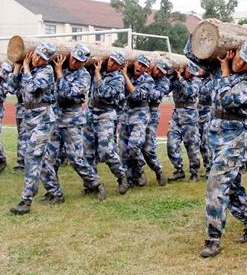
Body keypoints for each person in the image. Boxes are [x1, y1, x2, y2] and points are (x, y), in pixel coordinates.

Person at [200, 38, 247, 258]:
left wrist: (226, 71)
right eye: (241, 58)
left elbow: (229, 101)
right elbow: (192, 53)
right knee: (233, 185)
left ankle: (213, 238)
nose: (242, 64)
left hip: (235, 137)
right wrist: (212, 35)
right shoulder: (221, 64)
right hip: (215, 133)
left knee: (215, 185)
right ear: (235, 51)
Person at [40, 43, 107, 203]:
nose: (74, 63)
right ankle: (54, 192)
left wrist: (58, 72)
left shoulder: (83, 75)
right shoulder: (62, 66)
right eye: (73, 59)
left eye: (78, 61)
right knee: (48, 158)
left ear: (84, 62)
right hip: (56, 117)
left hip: (72, 119)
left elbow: (67, 93)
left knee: (75, 158)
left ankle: (95, 184)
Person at [10, 42, 58, 215]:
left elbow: (31, 87)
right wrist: (17, 69)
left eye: (43, 58)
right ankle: (55, 192)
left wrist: (26, 68)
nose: (38, 60)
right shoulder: (28, 70)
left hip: (43, 117)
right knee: (41, 157)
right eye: (37, 56)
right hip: (29, 117)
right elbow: (10, 88)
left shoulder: (47, 71)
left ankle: (26, 200)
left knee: (32, 156)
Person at [84, 50, 130, 194]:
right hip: (91, 113)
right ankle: (91, 184)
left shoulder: (118, 79)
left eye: (116, 63)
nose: (112, 64)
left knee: (106, 150)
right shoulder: (99, 69)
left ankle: (122, 177)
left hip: (106, 114)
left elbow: (104, 93)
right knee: (87, 152)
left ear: (120, 66)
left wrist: (97, 74)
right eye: (111, 60)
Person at [119, 54, 161, 187]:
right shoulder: (128, 73)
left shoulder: (148, 80)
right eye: (138, 64)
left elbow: (136, 95)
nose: (139, 67)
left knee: (134, 145)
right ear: (134, 63)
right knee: (123, 150)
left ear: (146, 69)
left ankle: (140, 170)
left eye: (143, 66)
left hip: (140, 115)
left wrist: (125, 76)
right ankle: (129, 180)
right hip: (126, 115)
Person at [168, 60, 204, 182]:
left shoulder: (196, 81)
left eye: (193, 73)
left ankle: (194, 173)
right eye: (189, 71)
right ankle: (178, 170)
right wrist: (173, 76)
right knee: (171, 145)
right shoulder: (176, 79)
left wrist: (180, 78)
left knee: (192, 146)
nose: (191, 74)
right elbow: (166, 89)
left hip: (190, 117)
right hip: (177, 116)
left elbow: (190, 92)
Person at [145, 59, 172, 180]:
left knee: (148, 147)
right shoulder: (142, 75)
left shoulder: (164, 82)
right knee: (130, 146)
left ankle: (158, 169)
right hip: (134, 112)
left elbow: (153, 95)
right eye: (157, 69)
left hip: (152, 113)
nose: (158, 73)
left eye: (161, 72)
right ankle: (134, 175)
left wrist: (148, 77)